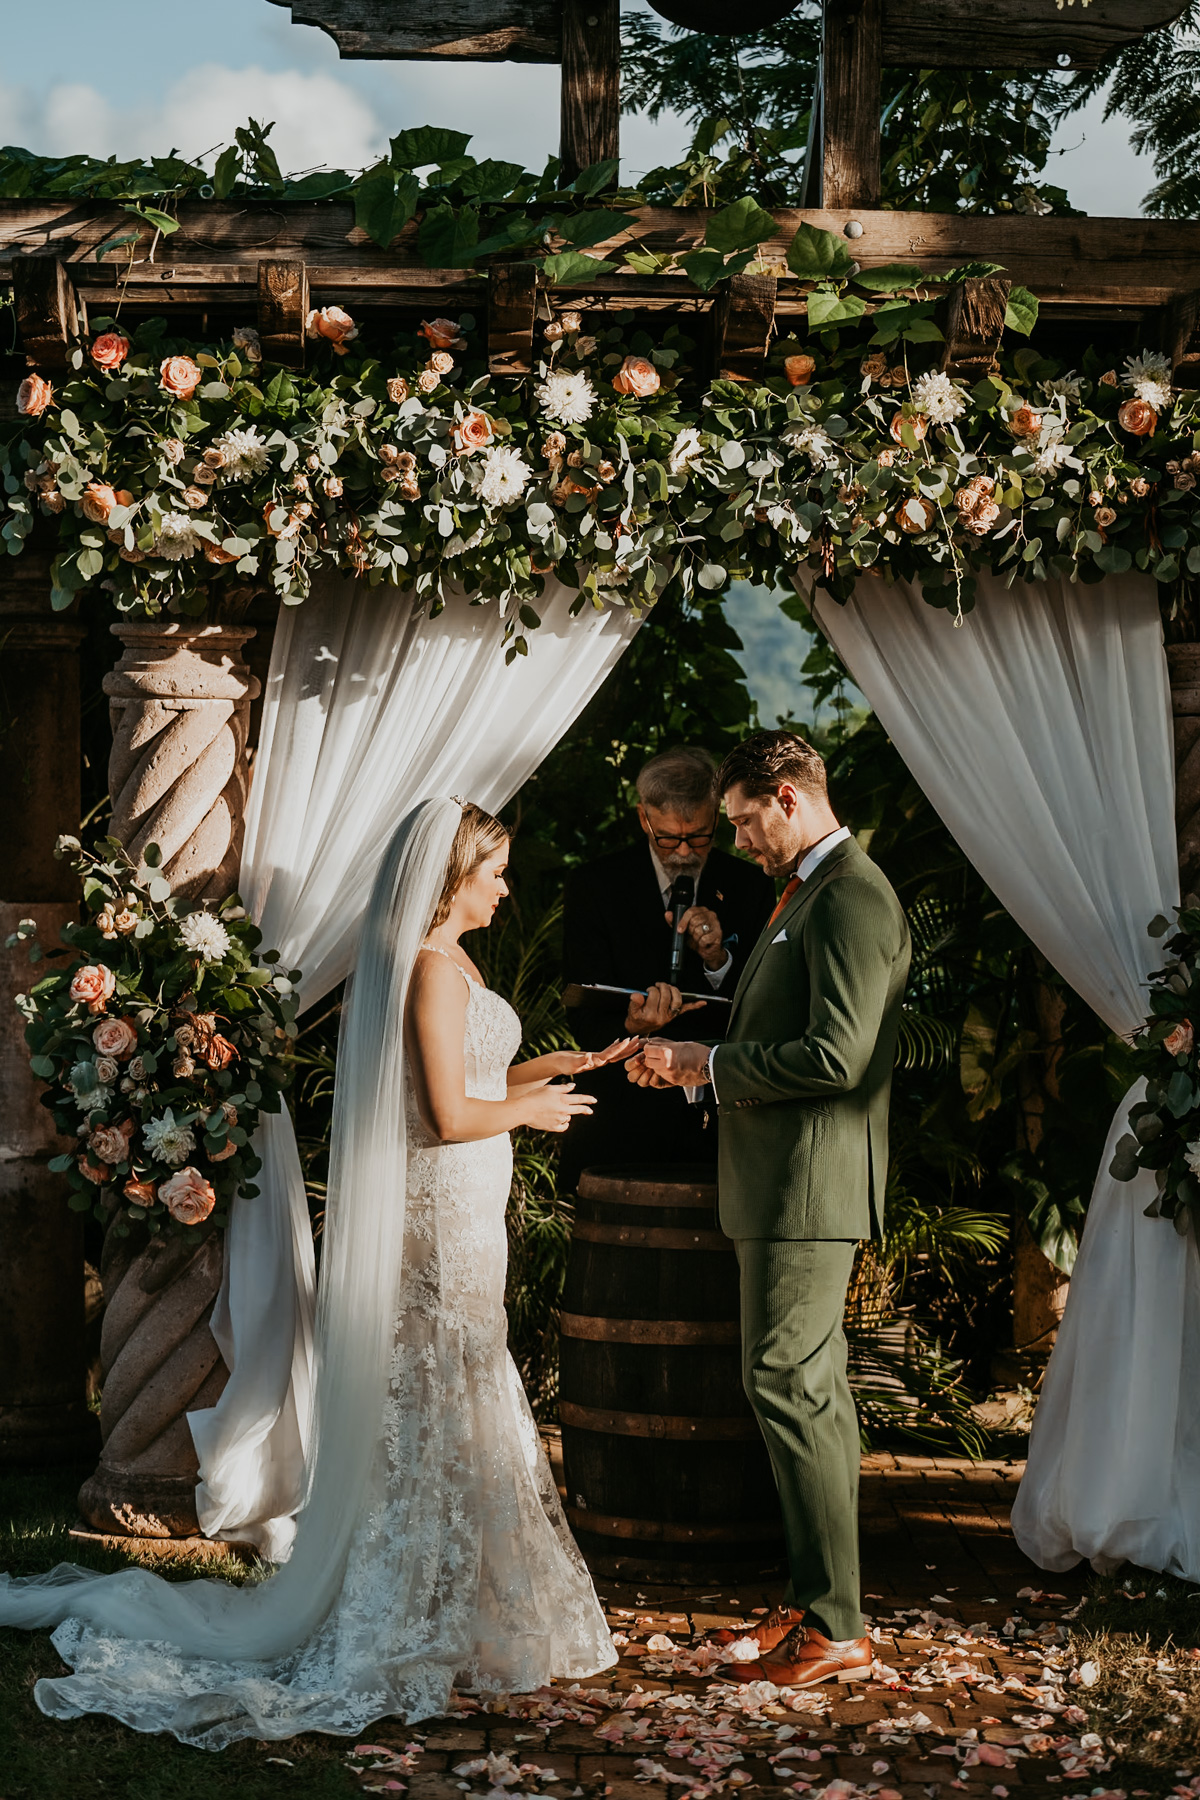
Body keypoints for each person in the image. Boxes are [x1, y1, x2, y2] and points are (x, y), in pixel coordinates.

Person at [0, 798, 631, 1746]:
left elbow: (470, 1079)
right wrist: (531, 1115)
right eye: (494, 870)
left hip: (466, 1215)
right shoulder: (428, 971)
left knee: (462, 1392)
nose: (506, 886)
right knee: (439, 1397)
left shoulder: (452, 964)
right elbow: (451, 1117)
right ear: (454, 876)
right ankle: (418, 1607)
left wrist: (565, 1064)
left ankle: (466, 1605)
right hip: (442, 1220)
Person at [626, 730, 910, 1688]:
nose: (739, 843)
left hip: (809, 1186)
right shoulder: (810, 891)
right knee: (796, 1388)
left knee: (790, 1386)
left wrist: (709, 1066)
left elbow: (839, 1058)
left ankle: (838, 1626)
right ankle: (817, 1600)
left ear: (788, 798)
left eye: (746, 822)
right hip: (782, 1181)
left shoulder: (853, 896)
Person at [560, 745, 775, 1189]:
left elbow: (764, 1007)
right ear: (644, 819)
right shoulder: (595, 886)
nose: (682, 851)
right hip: (620, 1124)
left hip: (719, 1131)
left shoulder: (750, 886)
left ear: (716, 818)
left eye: (698, 837)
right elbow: (580, 1008)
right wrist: (631, 1023)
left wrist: (719, 959)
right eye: (667, 837)